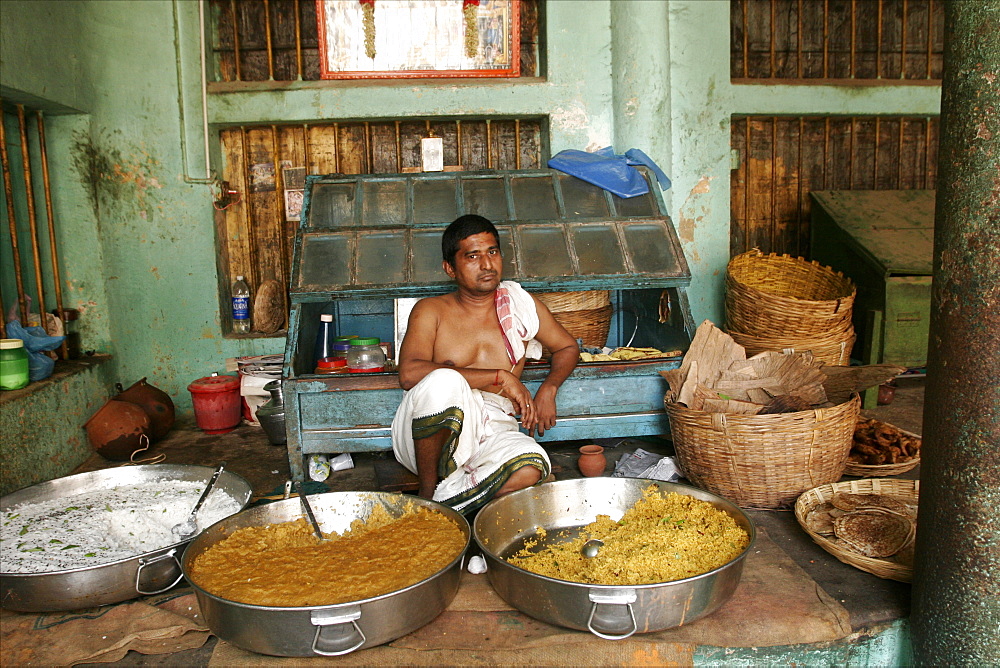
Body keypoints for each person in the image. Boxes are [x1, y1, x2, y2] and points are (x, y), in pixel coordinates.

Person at [391, 214, 579, 514]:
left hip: (494, 431)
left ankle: (442, 503)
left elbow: (568, 346)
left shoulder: (520, 305)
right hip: (430, 442)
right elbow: (409, 374)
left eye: (492, 252)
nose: (487, 264)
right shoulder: (431, 310)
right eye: (473, 256)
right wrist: (500, 377)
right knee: (445, 380)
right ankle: (428, 491)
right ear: (450, 268)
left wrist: (549, 388)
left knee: (532, 465)